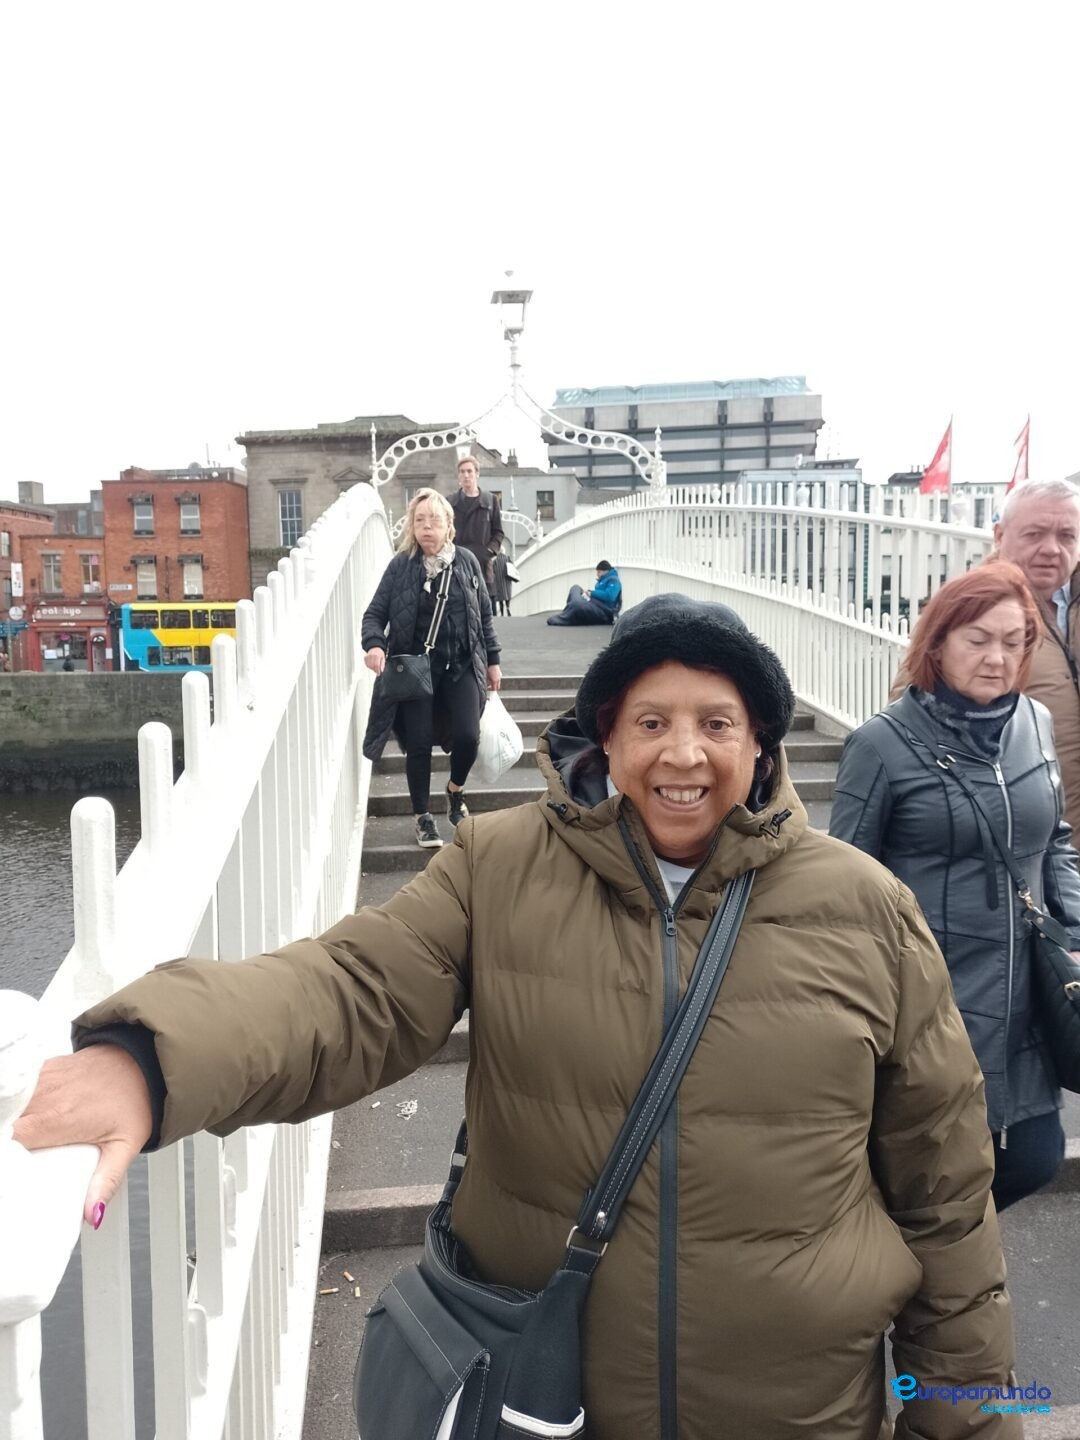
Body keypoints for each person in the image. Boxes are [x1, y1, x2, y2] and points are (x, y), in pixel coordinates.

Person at [16, 593, 1019, 1440]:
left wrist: (964, 1414)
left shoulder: (865, 909)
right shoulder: (498, 869)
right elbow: (354, 989)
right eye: (651, 721)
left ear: (760, 747)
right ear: (605, 737)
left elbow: (946, 1196)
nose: (684, 754)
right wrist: (153, 1059)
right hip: (552, 1403)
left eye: (717, 723)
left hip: (807, 1410)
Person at [831, 562, 1080, 1210]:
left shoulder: (1035, 723)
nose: (998, 658)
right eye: (978, 640)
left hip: (1025, 996)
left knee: (1032, 1158)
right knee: (931, 1184)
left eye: (1015, 640)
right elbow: (845, 883)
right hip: (930, 1003)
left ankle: (945, 1282)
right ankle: (932, 1294)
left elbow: (1053, 838)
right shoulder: (881, 745)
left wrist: (1074, 928)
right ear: (937, 643)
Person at [892, 478, 1080, 832]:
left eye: (1066, 536)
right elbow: (910, 708)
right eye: (1034, 534)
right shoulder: (966, 609)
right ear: (999, 535)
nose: (1052, 549)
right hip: (1015, 836)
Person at [362, 488, 501, 849]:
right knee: (419, 743)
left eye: (435, 520)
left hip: (462, 666)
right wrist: (375, 644)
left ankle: (455, 789)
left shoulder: (467, 562)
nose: (427, 528)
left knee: (469, 737)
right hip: (417, 671)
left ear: (448, 526)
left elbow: (483, 616)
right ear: (411, 525)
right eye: (420, 520)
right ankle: (423, 816)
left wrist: (494, 661)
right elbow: (375, 613)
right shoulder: (401, 566)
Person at [448, 454, 505, 587]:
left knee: (485, 605)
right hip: (458, 565)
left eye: (469, 471)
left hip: (483, 567)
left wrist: (489, 551)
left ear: (477, 474)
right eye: (462, 472)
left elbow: (498, 532)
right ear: (458, 475)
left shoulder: (490, 500)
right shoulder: (450, 502)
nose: (466, 475)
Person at [546, 560, 622, 626]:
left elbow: (610, 596)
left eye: (599, 572)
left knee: (576, 604)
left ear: (606, 571)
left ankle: (566, 614)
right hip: (595, 603)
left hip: (605, 612)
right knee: (576, 588)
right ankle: (569, 611)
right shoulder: (602, 580)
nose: (597, 574)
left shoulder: (613, 580)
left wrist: (592, 593)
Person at [490, 548, 517, 617]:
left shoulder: (495, 560)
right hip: (507, 580)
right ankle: (508, 608)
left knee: (500, 598)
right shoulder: (507, 558)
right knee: (508, 595)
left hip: (499, 581)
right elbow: (513, 567)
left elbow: (492, 570)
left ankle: (502, 613)